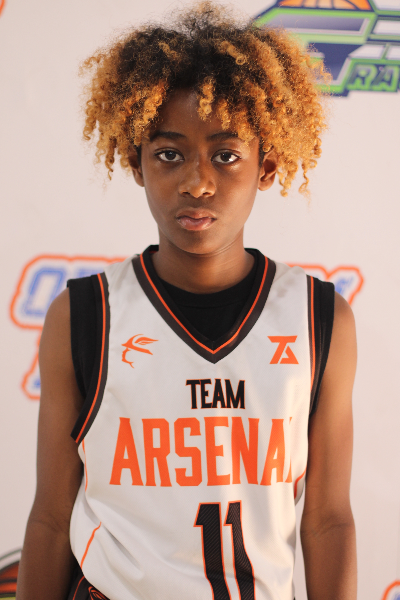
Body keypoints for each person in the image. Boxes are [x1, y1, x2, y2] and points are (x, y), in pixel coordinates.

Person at [16, 3, 357, 599]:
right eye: (169, 154)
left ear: (267, 166)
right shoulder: (85, 314)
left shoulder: (319, 316)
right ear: (136, 162)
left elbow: (328, 520)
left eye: (226, 155)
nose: (197, 182)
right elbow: (50, 517)